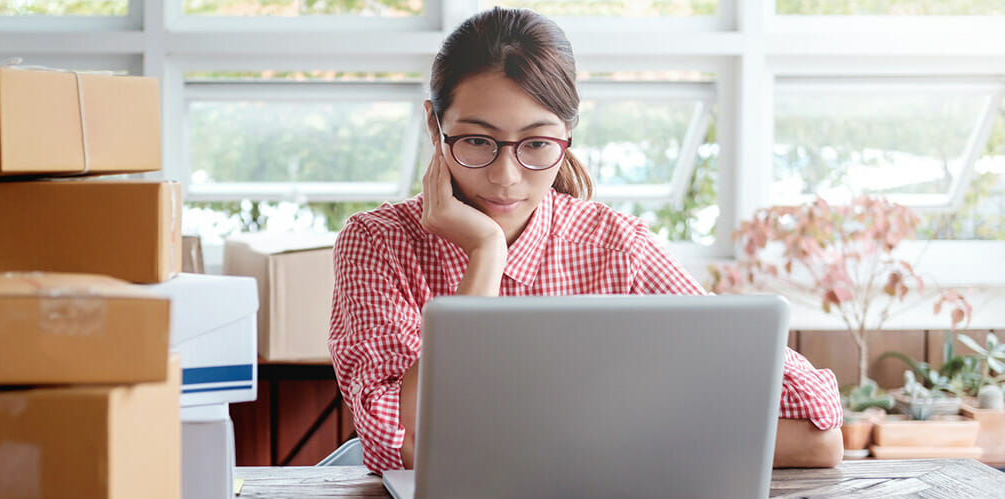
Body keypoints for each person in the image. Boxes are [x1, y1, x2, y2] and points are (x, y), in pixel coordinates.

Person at [327, 7, 844, 475]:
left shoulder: (618, 247)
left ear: (568, 134)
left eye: (536, 144)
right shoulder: (377, 244)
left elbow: (819, 435)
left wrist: (580, 444)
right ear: (434, 126)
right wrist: (486, 254)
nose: (506, 176)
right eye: (477, 141)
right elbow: (404, 439)